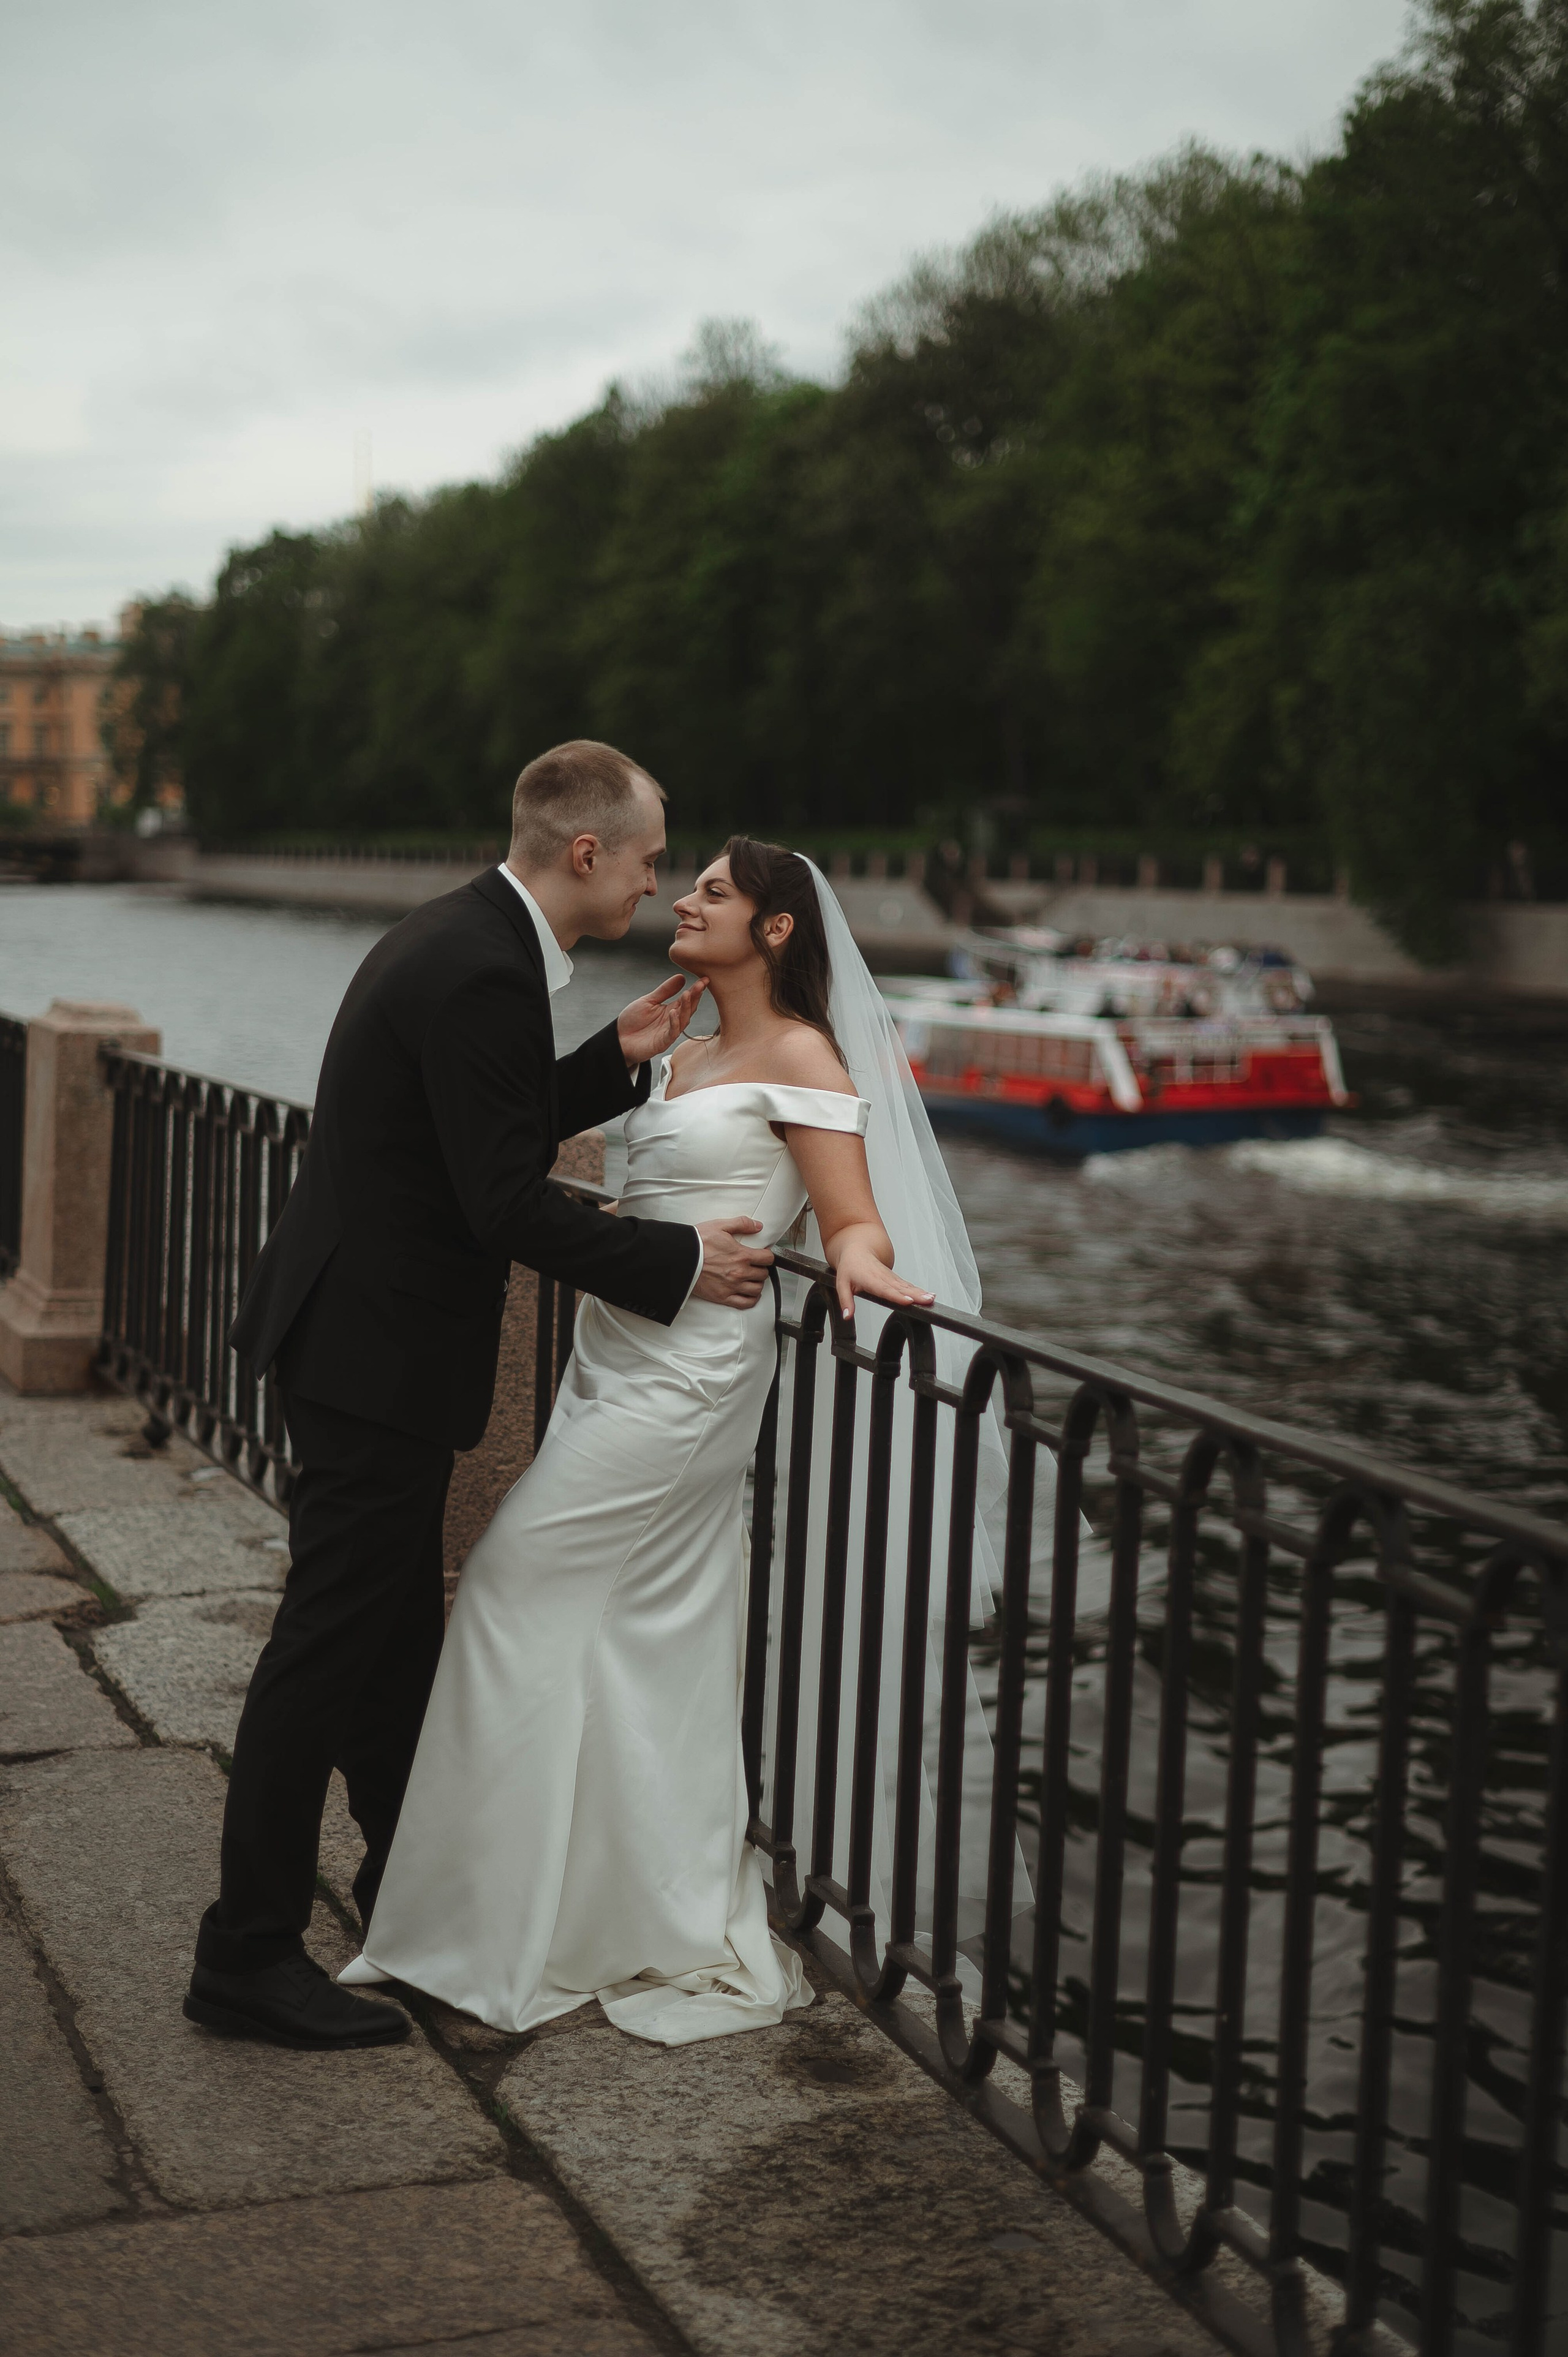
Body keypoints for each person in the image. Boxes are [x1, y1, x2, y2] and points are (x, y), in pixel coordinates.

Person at [184, 742, 775, 2051]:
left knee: (393, 1655)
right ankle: (245, 1952)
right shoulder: (481, 970)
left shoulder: (466, 943)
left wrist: (602, 1065)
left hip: (358, 1342)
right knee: (325, 1655)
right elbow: (499, 1200)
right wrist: (681, 1258)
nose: (655, 877)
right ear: (586, 855)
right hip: (372, 1359)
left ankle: (415, 1900)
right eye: (647, 852)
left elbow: (471, 1128)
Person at [337, 837, 953, 2043]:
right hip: (610, 1360)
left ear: (774, 930)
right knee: (626, 1638)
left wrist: (863, 1270)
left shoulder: (799, 1052)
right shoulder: (679, 1052)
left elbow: (851, 1214)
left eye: (715, 890)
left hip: (690, 1378)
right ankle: (589, 1910)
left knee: (511, 1589)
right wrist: (614, 1064)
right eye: (688, 881)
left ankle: (467, 1939)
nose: (685, 897)